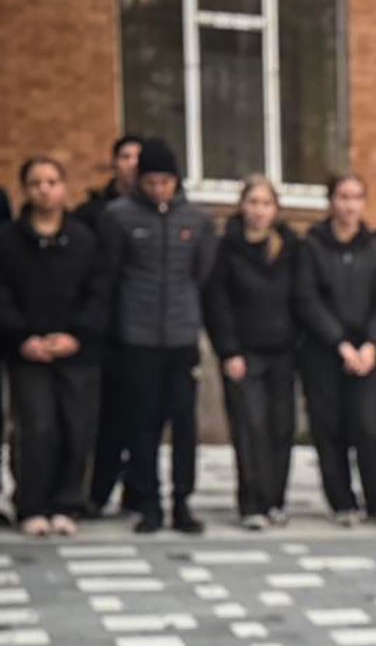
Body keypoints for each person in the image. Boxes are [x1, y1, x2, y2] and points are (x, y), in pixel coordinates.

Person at [98, 137, 216, 535]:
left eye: (165, 181)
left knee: (184, 424)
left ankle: (182, 500)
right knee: (143, 423)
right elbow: (112, 274)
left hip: (181, 336)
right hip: (138, 336)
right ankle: (148, 503)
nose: (158, 189)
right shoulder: (118, 217)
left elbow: (201, 275)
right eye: (151, 181)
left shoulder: (196, 221)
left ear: (176, 181)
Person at [0, 157, 109, 537]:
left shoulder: (84, 240)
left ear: (64, 188)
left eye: (51, 181)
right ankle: (31, 504)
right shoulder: (9, 241)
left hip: (76, 353)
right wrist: (22, 337)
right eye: (35, 182)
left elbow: (98, 294)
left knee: (76, 428)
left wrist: (75, 335)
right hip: (27, 351)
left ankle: (67, 504)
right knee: (36, 428)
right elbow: (3, 295)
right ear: (25, 190)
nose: (44, 189)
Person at [295, 173, 376, 527]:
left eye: (357, 197)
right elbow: (307, 298)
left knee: (371, 428)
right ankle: (342, 501)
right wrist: (339, 343)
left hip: (369, 353)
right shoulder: (312, 245)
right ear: (330, 201)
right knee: (330, 429)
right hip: (325, 352)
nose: (349, 205)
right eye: (342, 197)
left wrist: (372, 343)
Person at [203, 175, 300, 530]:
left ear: (276, 210)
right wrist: (228, 351)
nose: (259, 211)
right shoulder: (226, 248)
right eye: (253, 202)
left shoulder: (289, 247)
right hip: (244, 353)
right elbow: (217, 302)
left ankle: (276, 499)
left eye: (266, 204)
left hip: (283, 352)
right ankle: (252, 503)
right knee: (250, 426)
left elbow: (300, 298)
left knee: (281, 428)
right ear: (242, 206)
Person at [78, 135, 141, 519]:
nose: (132, 163)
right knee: (103, 418)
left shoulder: (161, 212)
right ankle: (95, 492)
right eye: (124, 156)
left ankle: (136, 492)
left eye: (138, 157)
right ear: (113, 162)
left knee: (141, 417)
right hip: (101, 330)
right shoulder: (92, 214)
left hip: (145, 330)